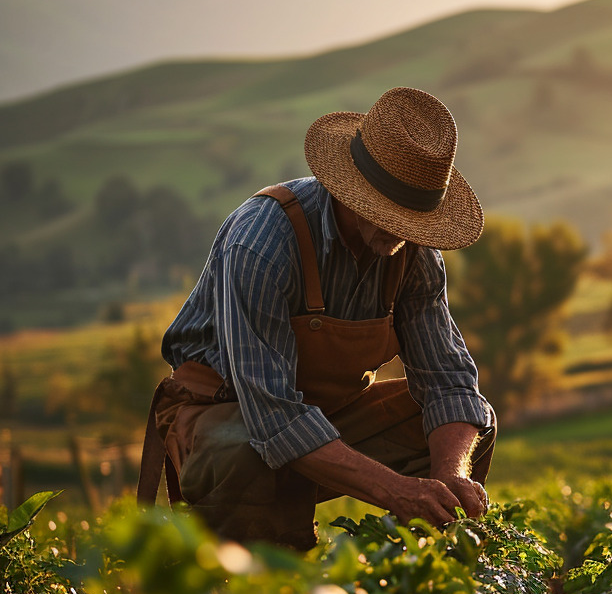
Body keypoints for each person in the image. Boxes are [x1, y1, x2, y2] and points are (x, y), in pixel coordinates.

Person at [137, 87, 495, 550]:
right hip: (227, 413)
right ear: (352, 191)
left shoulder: (413, 254)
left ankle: (421, 578)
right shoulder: (263, 243)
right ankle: (261, 586)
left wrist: (449, 475)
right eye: (390, 215)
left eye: (413, 222)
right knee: (241, 451)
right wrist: (393, 490)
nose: (403, 233)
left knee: (464, 428)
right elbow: (275, 418)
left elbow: (449, 383)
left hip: (327, 411)